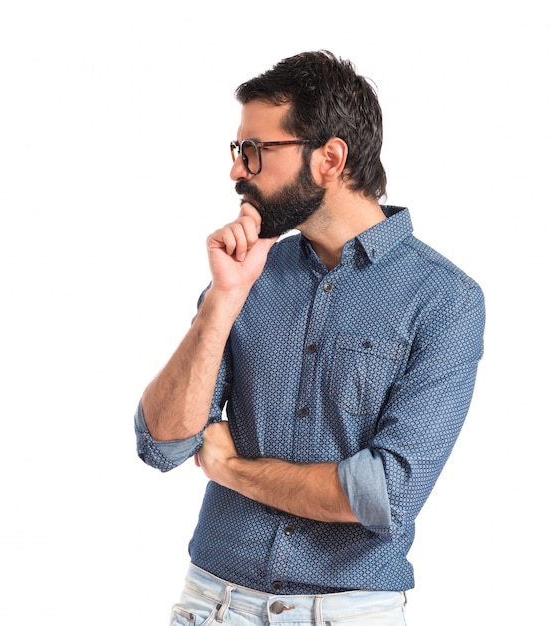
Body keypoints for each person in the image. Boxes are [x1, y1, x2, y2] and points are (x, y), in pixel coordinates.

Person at [135, 50, 485, 625]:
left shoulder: (444, 300)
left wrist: (230, 470)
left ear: (330, 157)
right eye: (237, 151)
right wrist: (223, 300)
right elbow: (163, 443)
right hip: (212, 604)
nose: (236, 171)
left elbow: (383, 495)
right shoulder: (249, 274)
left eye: (255, 150)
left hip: (346, 613)